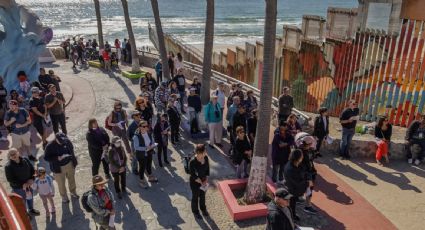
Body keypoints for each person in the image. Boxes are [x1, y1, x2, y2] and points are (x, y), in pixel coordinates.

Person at [44, 132, 78, 203]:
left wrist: (74, 160)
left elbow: (71, 149)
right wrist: (57, 158)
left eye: (63, 141)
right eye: (61, 141)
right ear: (56, 139)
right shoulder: (49, 146)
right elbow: (46, 158)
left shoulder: (66, 141)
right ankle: (64, 197)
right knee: (61, 184)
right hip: (58, 168)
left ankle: (73, 192)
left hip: (69, 164)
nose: (63, 143)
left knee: (72, 179)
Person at [5, 149, 40, 216]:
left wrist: (32, 179)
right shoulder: (8, 166)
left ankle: (31, 209)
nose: (13, 155)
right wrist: (23, 184)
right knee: (22, 201)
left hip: (29, 184)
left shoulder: (25, 160)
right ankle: (24, 214)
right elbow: (11, 179)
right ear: (9, 157)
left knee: (30, 198)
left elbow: (32, 170)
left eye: (14, 153)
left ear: (18, 153)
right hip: (19, 188)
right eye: (11, 155)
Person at [284, 149, 309, 221]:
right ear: (298, 158)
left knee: (293, 202)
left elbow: (303, 170)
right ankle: (292, 216)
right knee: (292, 203)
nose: (303, 157)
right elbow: (297, 183)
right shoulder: (290, 169)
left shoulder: (295, 163)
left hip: (294, 189)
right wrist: (307, 183)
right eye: (302, 156)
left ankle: (293, 214)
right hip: (292, 189)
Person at [133, 120, 158, 188]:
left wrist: (153, 145)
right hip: (141, 155)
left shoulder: (149, 133)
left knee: (149, 165)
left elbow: (152, 140)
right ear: (140, 127)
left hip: (149, 152)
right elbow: (136, 147)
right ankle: (141, 181)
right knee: (142, 168)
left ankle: (150, 177)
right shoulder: (136, 136)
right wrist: (146, 148)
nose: (146, 127)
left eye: (147, 126)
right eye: (144, 126)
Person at [189, 144, 210, 219]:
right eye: (204, 151)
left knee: (202, 196)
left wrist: (206, 180)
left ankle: (203, 209)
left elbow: (207, 170)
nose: (205, 153)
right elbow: (193, 175)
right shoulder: (192, 162)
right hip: (195, 182)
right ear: (199, 153)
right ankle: (195, 211)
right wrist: (201, 182)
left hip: (203, 180)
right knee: (195, 197)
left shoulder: (206, 158)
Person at [127, 110, 142, 175]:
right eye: (136, 115)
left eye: (139, 115)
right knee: (135, 157)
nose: (138, 116)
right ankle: (134, 169)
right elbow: (128, 135)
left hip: (142, 142)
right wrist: (134, 140)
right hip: (135, 143)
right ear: (133, 117)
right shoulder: (131, 125)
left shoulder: (142, 122)